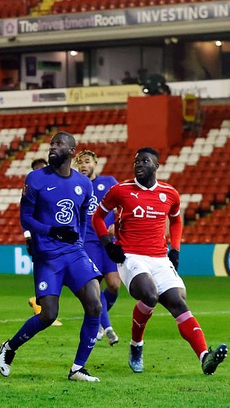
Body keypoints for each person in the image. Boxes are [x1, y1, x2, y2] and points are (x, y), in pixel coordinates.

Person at [92, 147, 227, 375]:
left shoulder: (169, 193)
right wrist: (107, 245)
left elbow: (175, 221)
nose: (139, 165)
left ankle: (205, 357)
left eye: (144, 161)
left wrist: (175, 249)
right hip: (130, 256)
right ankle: (137, 346)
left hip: (159, 257)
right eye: (136, 161)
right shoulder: (120, 190)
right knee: (150, 295)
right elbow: (97, 217)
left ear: (156, 166)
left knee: (179, 303)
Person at [0, 131, 102, 382]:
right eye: (51, 143)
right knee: (48, 315)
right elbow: (26, 218)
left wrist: (78, 241)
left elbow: (83, 219)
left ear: (72, 151)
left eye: (58, 144)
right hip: (48, 256)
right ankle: (9, 347)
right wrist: (51, 231)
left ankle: (78, 368)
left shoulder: (84, 184)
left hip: (74, 253)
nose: (52, 147)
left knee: (95, 304)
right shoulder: (35, 179)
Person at [74, 150, 120, 345]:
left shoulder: (109, 182)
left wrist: (117, 224)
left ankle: (99, 318)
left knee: (115, 285)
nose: (83, 165)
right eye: (80, 163)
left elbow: (122, 206)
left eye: (87, 161)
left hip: (108, 241)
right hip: (88, 241)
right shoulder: (75, 185)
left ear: (95, 163)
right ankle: (106, 327)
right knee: (95, 285)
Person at [25, 158, 62, 327]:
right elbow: (25, 216)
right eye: (36, 169)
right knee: (48, 274)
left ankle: (40, 304)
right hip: (40, 239)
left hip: (58, 238)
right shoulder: (32, 188)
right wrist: (28, 238)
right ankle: (42, 308)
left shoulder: (56, 186)